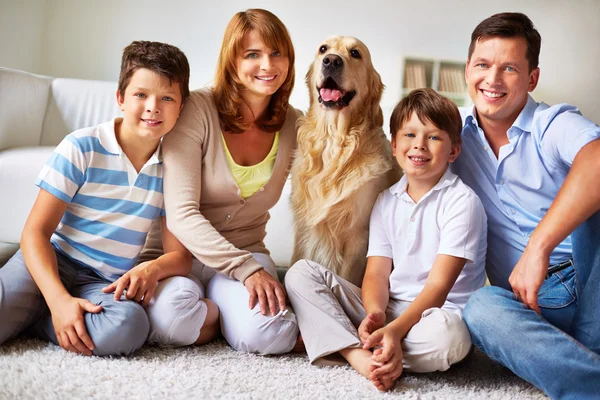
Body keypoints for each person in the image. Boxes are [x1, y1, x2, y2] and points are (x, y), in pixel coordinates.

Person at [0, 41, 219, 356]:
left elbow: (180, 257)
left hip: (102, 283)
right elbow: (35, 233)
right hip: (48, 264)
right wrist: (58, 298)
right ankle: (50, 308)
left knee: (129, 327)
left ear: (181, 107)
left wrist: (152, 269)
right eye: (141, 95)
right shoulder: (82, 146)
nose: (152, 107)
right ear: (120, 98)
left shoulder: (174, 167)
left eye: (167, 98)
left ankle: (41, 320)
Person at [285, 88, 487, 391]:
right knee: (300, 273)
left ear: (453, 150)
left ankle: (353, 345)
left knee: (451, 340)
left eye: (433, 137)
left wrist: (394, 331)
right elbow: (377, 273)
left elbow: (438, 287)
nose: (419, 145)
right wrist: (375, 314)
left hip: (437, 314)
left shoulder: (462, 202)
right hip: (391, 307)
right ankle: (360, 354)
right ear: (394, 145)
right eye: (409, 135)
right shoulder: (385, 200)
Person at [451, 12, 600, 399]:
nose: (493, 80)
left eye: (510, 68)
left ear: (532, 78)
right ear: (467, 69)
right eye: (482, 65)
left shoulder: (553, 123)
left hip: (591, 285)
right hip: (529, 309)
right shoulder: (451, 137)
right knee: (480, 308)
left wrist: (539, 247)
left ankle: (582, 360)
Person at [153, 8, 300, 355]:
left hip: (247, 248)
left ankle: (227, 316)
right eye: (253, 54)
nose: (268, 65)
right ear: (232, 60)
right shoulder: (196, 110)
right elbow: (182, 214)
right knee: (168, 322)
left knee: (268, 337)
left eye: (277, 53)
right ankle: (222, 316)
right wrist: (247, 271)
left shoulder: (294, 123)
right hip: (182, 256)